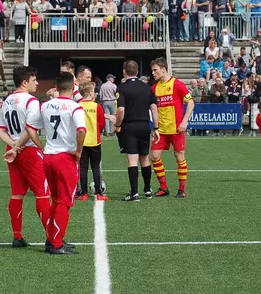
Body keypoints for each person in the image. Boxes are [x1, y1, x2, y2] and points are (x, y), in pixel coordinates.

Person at [25, 71, 86, 256]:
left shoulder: (45, 106)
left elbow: (30, 127)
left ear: (56, 87)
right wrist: (78, 150)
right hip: (65, 158)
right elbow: (82, 130)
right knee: (64, 202)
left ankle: (51, 240)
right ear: (73, 87)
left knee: (55, 200)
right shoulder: (75, 107)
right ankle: (57, 244)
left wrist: (41, 146)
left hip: (49, 157)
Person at [0, 66, 51, 248]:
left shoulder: (6, 101)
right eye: (34, 80)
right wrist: (19, 146)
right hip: (28, 149)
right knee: (42, 195)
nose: (37, 83)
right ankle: (53, 239)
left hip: (13, 150)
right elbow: (30, 130)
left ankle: (17, 236)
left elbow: (1, 131)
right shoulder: (31, 101)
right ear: (25, 82)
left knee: (17, 194)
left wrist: (13, 147)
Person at [149, 57, 195, 198]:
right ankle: (164, 188)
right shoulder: (154, 88)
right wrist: (154, 128)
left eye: (155, 70)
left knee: (179, 156)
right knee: (154, 156)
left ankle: (181, 189)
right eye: (152, 70)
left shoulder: (177, 84)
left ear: (163, 69)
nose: (153, 73)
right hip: (161, 130)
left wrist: (184, 122)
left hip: (176, 129)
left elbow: (191, 103)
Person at [115, 60, 160, 202]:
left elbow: (121, 110)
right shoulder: (147, 87)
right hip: (144, 126)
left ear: (124, 71)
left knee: (132, 159)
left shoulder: (122, 88)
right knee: (145, 158)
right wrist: (156, 128)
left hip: (129, 126)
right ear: (137, 71)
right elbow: (154, 109)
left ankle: (134, 193)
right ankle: (147, 190)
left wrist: (117, 124)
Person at [77, 82, 108, 201]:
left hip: (82, 141)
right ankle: (99, 193)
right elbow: (101, 124)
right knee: (96, 167)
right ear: (90, 92)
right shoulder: (97, 106)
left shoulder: (78, 105)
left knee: (83, 167)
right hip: (95, 141)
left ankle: (83, 193)